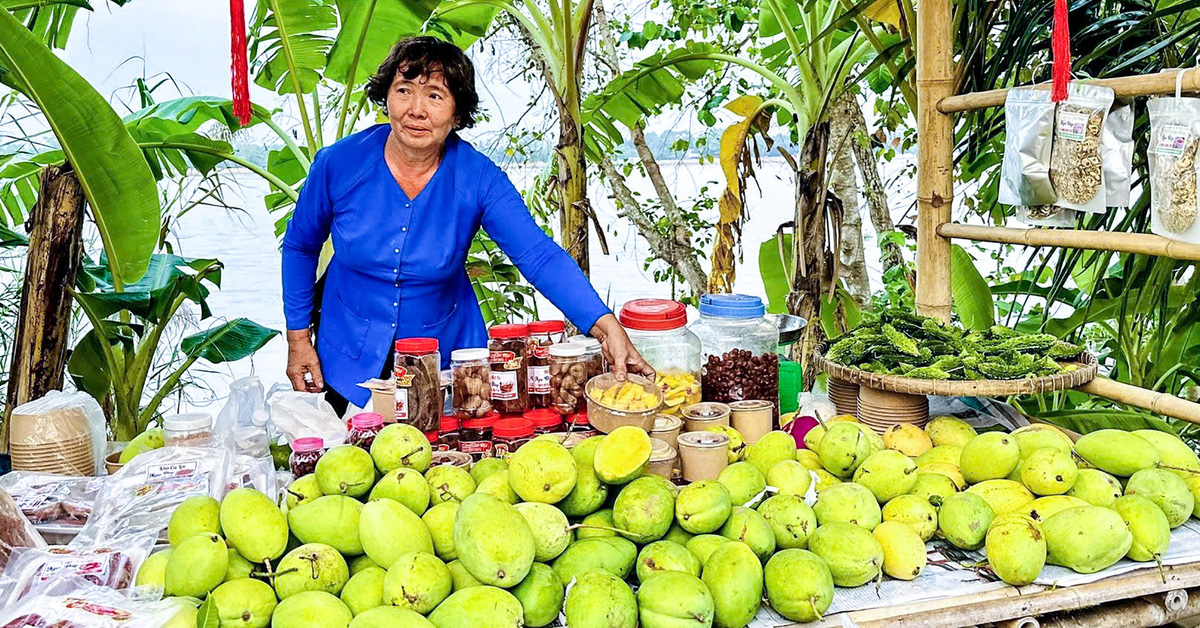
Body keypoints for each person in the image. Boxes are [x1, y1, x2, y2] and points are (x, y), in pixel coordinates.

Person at [282, 36, 652, 415]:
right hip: (344, 356)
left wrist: (605, 325)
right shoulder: (337, 164)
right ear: (386, 97)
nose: (416, 110)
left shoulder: (479, 179)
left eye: (435, 96)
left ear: (458, 114)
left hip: (447, 362)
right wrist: (298, 338)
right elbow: (300, 246)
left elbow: (538, 256)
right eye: (404, 90)